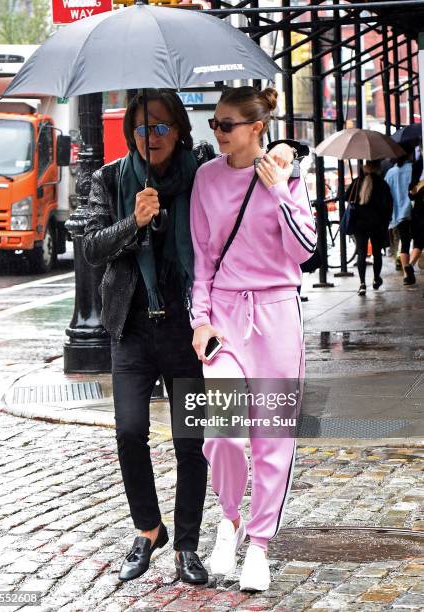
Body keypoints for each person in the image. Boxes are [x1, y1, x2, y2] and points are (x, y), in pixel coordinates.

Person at [82, 88, 297, 584]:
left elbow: (246, 149)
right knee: (130, 431)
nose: (149, 137)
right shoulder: (111, 178)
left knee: (190, 440)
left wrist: (288, 151)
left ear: (179, 130)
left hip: (187, 329)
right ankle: (148, 528)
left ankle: (186, 545)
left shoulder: (198, 170)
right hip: (132, 328)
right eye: (140, 128)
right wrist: (131, 223)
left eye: (160, 127)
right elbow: (91, 247)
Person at [190, 86, 316, 591]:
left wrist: (281, 187)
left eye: (226, 125)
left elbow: (304, 249)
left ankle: (259, 544)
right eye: (215, 124)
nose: (216, 132)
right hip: (223, 319)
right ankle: (230, 517)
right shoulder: (206, 177)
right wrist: (200, 320)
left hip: (277, 317)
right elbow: (202, 259)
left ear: (256, 128)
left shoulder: (289, 175)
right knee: (223, 434)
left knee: (272, 439)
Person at [345, 160, 392, 296]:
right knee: (377, 253)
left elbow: (346, 197)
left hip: (360, 224)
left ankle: (362, 284)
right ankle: (376, 279)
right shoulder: (382, 184)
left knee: (361, 253)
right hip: (377, 224)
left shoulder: (357, 182)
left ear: (365, 167)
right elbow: (388, 205)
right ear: (378, 168)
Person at [385, 151, 415, 285]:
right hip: (415, 210)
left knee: (405, 243)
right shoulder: (414, 168)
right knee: (419, 242)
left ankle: (405, 274)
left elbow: (387, 194)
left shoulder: (390, 173)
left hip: (399, 214)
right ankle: (411, 267)